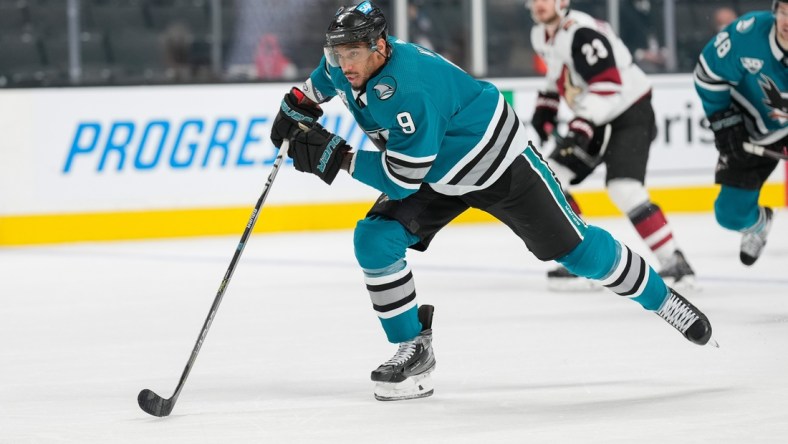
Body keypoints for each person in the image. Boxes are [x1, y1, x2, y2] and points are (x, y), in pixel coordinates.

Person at [269, 1, 715, 402]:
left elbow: (404, 178)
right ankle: (413, 349)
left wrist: (338, 157)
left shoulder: (411, 88)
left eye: (352, 54)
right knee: (374, 239)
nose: (344, 65)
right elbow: (317, 85)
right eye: (337, 53)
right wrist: (295, 106)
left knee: (577, 251)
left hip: (498, 163)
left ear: (380, 47)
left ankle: (662, 299)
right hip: (437, 170)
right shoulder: (344, 62)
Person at [527, 0, 697, 291]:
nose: (539, 4)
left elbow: (609, 85)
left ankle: (675, 261)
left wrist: (582, 122)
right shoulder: (541, 34)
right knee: (552, 175)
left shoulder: (582, 33)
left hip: (629, 111)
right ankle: (581, 257)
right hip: (596, 114)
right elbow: (558, 74)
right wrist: (547, 105)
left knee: (624, 188)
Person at [693, 0, 787, 266]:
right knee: (730, 215)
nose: (787, 22)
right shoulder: (749, 35)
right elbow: (708, 75)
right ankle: (759, 224)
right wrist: (725, 122)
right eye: (784, 13)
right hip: (750, 129)